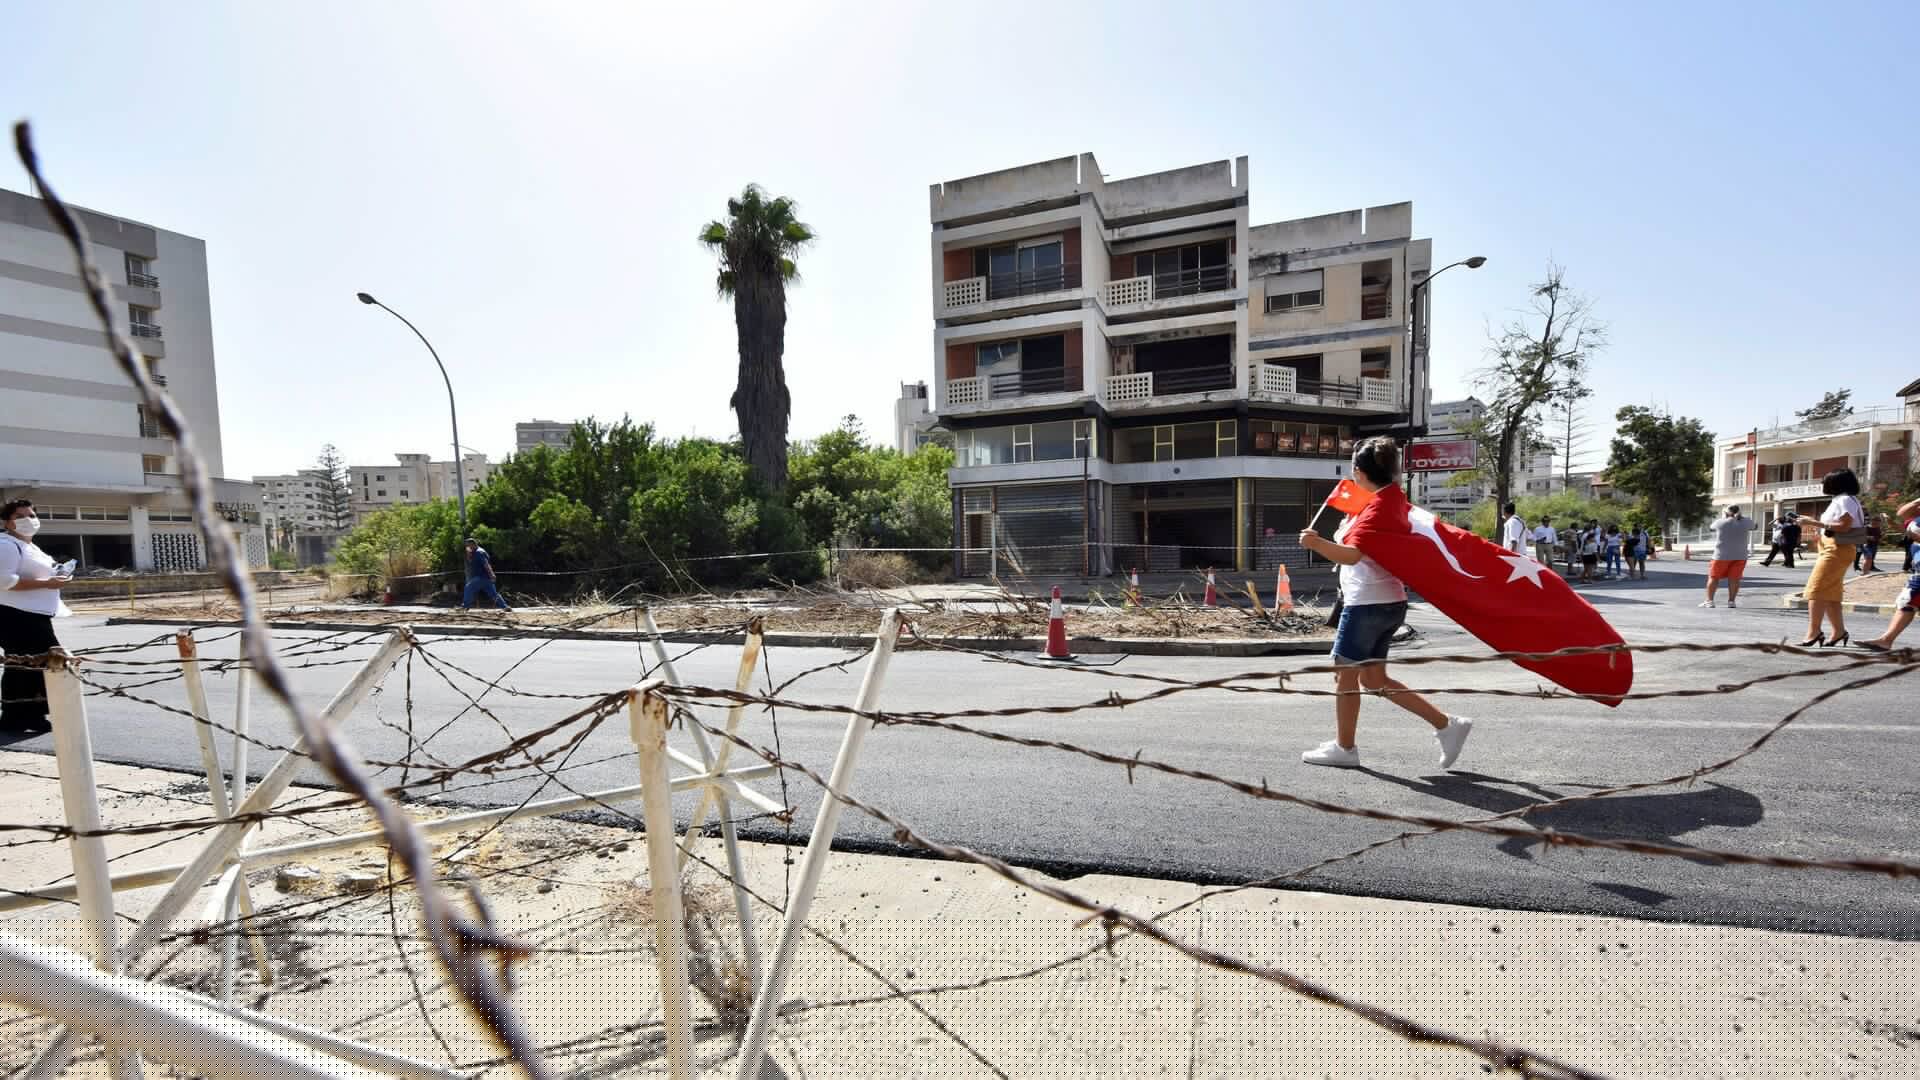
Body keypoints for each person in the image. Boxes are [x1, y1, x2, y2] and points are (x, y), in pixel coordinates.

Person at [1297, 437, 1472, 770]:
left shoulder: (1378, 508)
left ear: (1359, 472)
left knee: (1344, 676)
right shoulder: (1388, 501)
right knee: (1374, 680)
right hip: (1387, 601)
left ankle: (1345, 749)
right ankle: (1447, 725)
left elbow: (1353, 555)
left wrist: (1315, 543)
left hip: (1367, 604)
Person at [0, 499, 74, 733]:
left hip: (35, 614)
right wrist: (47, 583)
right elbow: (5, 581)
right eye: (20, 517)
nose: (28, 521)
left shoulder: (31, 547)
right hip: (15, 615)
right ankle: (18, 715)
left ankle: (26, 715)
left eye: (31, 516)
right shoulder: (6, 545)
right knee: (30, 662)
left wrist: (59, 575)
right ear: (7, 522)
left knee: (28, 663)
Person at [1798, 468, 1863, 647]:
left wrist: (1811, 522)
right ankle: (1838, 631)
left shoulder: (1844, 499)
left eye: (1826, 480)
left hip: (1837, 548)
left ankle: (1814, 632)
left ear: (1836, 483)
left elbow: (1844, 526)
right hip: (1834, 546)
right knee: (1830, 593)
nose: (1823, 483)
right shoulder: (1843, 499)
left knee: (1816, 589)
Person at [1858, 498, 1920, 652]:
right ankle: (1886, 640)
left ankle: (1886, 640)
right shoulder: (1916, 517)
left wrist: (1912, 534)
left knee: (1907, 601)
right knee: (1907, 603)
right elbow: (1902, 513)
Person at [1702, 505, 1758, 608]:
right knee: (1734, 579)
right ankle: (1731, 602)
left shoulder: (1720, 522)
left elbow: (1711, 528)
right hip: (1740, 555)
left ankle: (1710, 601)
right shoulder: (1746, 522)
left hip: (1721, 556)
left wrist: (1725, 517)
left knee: (1714, 578)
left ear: (1726, 513)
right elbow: (1755, 526)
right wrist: (1742, 518)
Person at [460, 538, 511, 612]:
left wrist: (492, 574)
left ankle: (465, 606)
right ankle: (505, 607)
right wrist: (469, 554)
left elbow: (486, 564)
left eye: (468, 545)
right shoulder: (475, 552)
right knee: (493, 594)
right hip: (486, 578)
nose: (467, 547)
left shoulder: (479, 552)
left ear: (472, 544)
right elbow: (471, 562)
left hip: (481, 577)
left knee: (468, 588)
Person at [1577, 520, 1601, 584]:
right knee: (1590, 569)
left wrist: (1580, 554)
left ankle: (1582, 579)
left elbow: (1582, 545)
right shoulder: (1592, 542)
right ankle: (1589, 580)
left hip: (1584, 555)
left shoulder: (1584, 536)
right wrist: (1598, 559)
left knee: (1585, 568)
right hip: (1591, 556)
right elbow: (1595, 552)